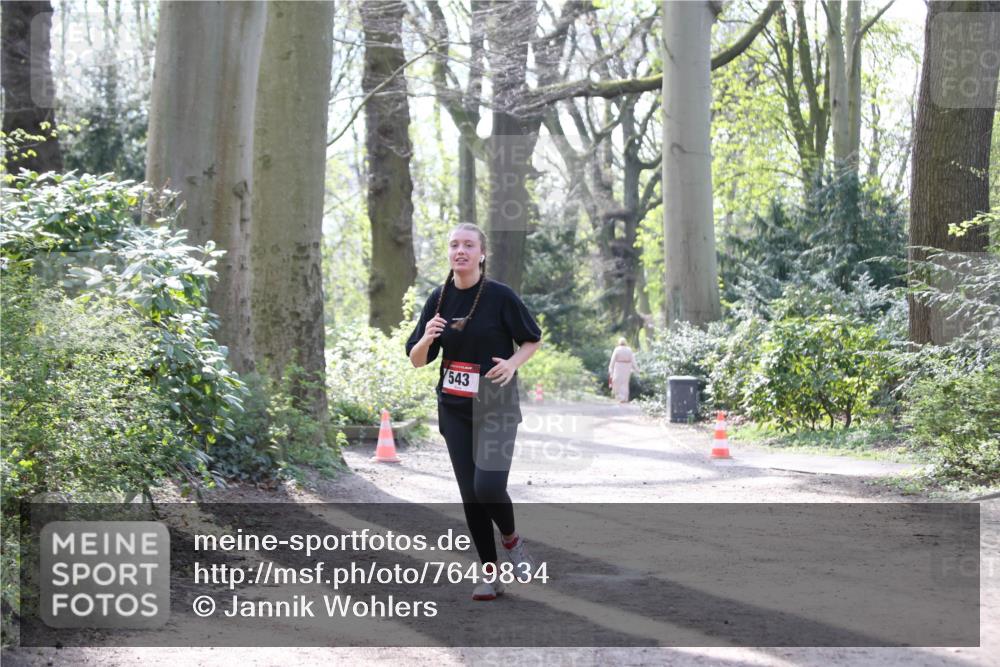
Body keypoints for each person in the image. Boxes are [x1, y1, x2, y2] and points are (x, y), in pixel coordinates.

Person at [406, 222, 542, 601]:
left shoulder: (500, 296)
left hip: (496, 405)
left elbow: (532, 339)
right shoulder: (438, 299)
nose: (460, 251)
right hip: (454, 409)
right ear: (449, 253)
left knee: (488, 487)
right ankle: (489, 574)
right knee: (470, 495)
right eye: (454, 245)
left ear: (481, 254)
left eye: (468, 245)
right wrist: (428, 337)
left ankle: (512, 541)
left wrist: (513, 363)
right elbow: (418, 360)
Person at [608, 337, 639, 403]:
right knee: (625, 383)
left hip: (618, 366)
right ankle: (625, 398)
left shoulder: (617, 349)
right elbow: (633, 360)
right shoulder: (629, 349)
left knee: (617, 381)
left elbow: (613, 360)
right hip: (627, 367)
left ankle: (620, 397)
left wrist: (610, 368)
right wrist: (636, 369)